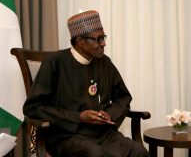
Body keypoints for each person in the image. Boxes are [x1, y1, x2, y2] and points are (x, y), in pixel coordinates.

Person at [23, 10, 150, 157]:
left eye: (103, 37)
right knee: (94, 153)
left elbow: (123, 97)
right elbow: (33, 108)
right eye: (98, 39)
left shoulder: (104, 62)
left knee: (139, 152)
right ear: (80, 41)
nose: (103, 43)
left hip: (103, 135)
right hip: (66, 136)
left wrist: (109, 114)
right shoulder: (54, 62)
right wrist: (79, 117)